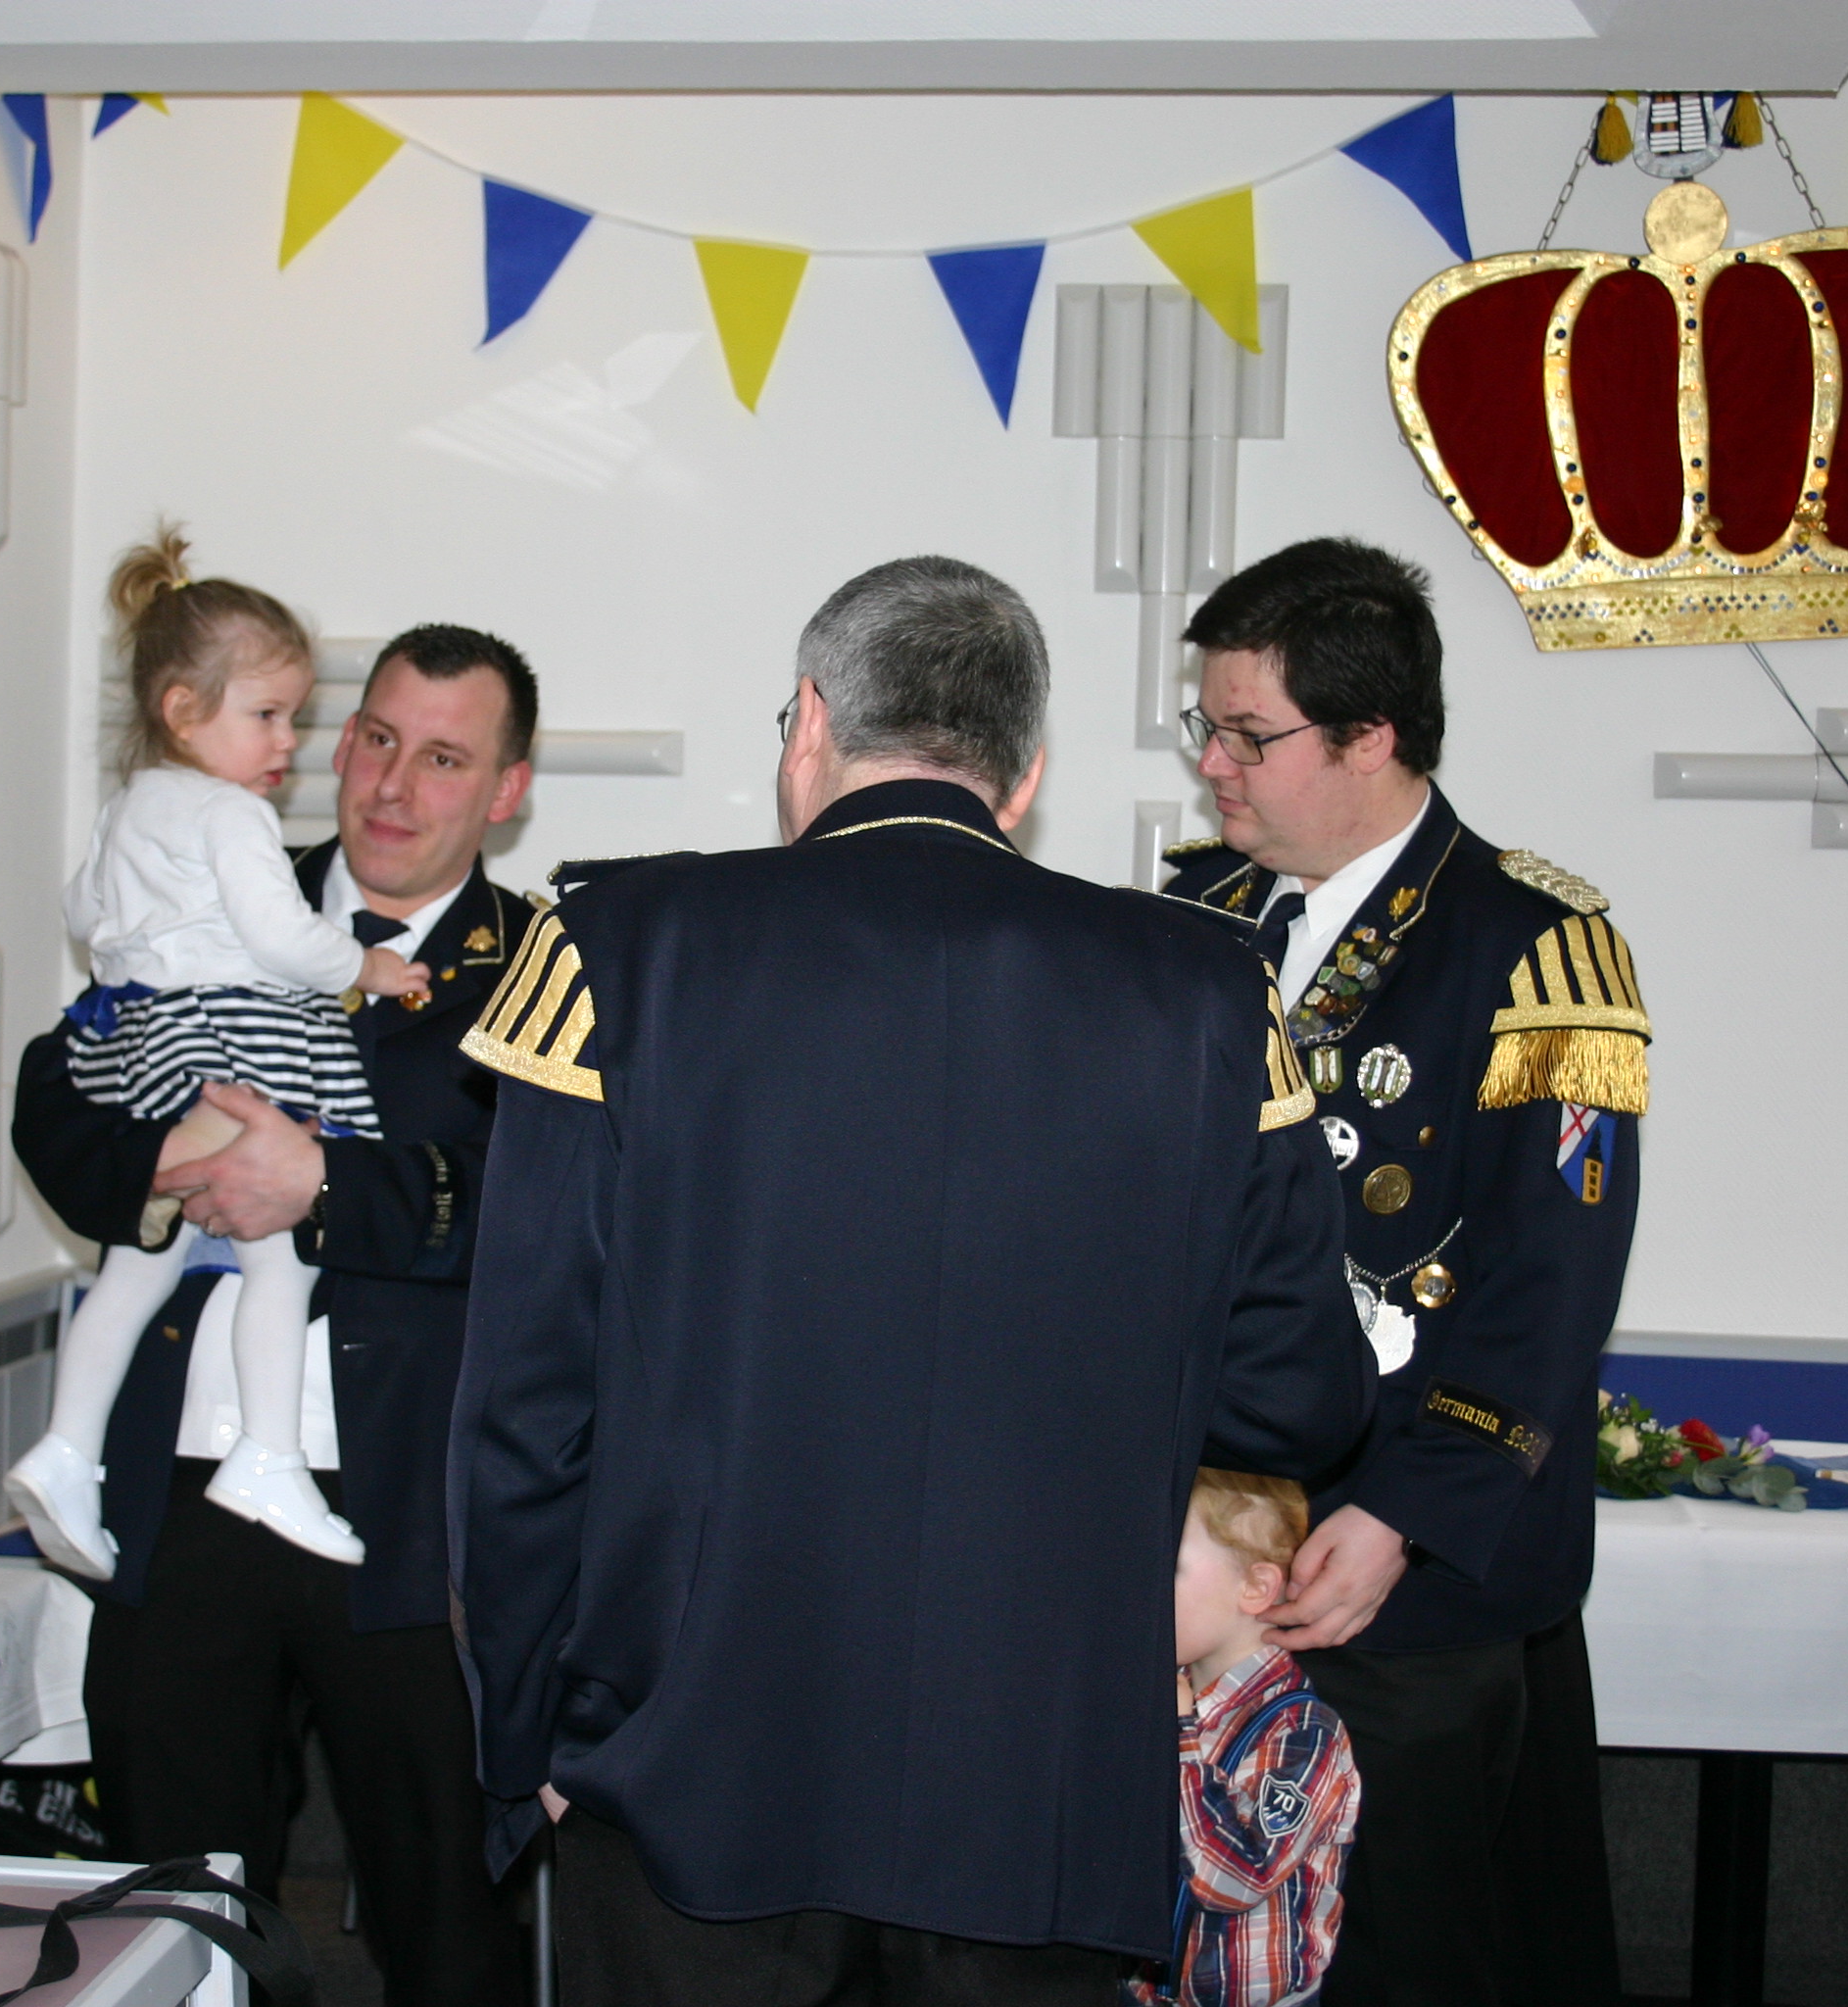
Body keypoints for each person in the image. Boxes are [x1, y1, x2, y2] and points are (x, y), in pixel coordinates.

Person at [450, 556, 1376, 2004]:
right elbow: (1298, 1395)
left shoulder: (613, 950)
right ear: (1025, 774)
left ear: (810, 723)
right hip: (1040, 1791)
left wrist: (527, 1751)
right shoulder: (1209, 992)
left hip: (686, 1773)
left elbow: (522, 1415)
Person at [11, 623, 543, 2006]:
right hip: (184, 1492)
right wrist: (165, 1166)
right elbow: (59, 1092)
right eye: (377, 739)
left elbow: (551, 1206)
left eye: (445, 759)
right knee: (171, 1912)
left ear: (507, 790)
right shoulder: (215, 872)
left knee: (445, 1921)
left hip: (409, 1513)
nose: (393, 785)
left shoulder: (543, 964)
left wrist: (321, 1186)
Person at [1161, 536, 1648, 2005]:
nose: (1214, 766)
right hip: (1202, 1566)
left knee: (1400, 1955)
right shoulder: (1196, 923)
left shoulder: (1537, 951)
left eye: (1249, 734)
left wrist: (1404, 1517)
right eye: (1207, 728)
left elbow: (1550, 1289)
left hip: (1400, 1576)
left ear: (1369, 736)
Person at [9, 529, 428, 1577]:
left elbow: (84, 912)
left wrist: (140, 954)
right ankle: (270, 1454)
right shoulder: (232, 813)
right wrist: (367, 968)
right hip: (237, 1035)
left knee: (139, 1260)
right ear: (183, 710)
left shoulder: (127, 809)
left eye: (294, 715)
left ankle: (65, 1449)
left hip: (149, 1043)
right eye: (268, 715)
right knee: (283, 1242)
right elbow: (281, 938)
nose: (289, 741)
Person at [1140, 1469, 1359, 2007]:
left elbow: (1236, 1879)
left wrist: (1179, 1739)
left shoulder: (1302, 1733)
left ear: (1257, 1588)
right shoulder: (1160, 1691)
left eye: (1169, 1566)